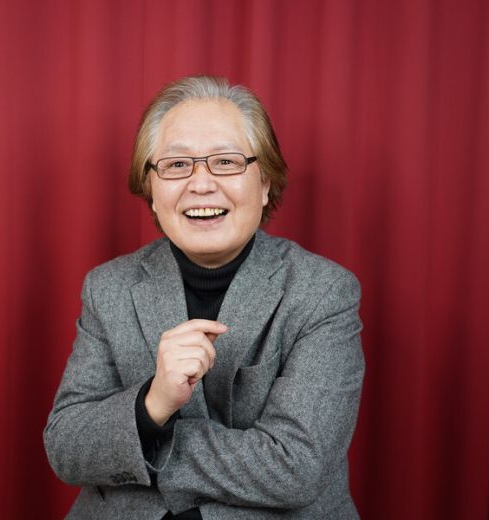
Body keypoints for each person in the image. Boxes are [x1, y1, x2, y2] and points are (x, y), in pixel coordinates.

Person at [44, 75, 364, 519]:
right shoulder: (108, 286)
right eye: (177, 165)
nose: (200, 184)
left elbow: (295, 467)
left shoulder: (322, 292)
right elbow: (66, 446)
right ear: (151, 190)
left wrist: (147, 440)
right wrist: (153, 403)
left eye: (226, 162)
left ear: (265, 183)